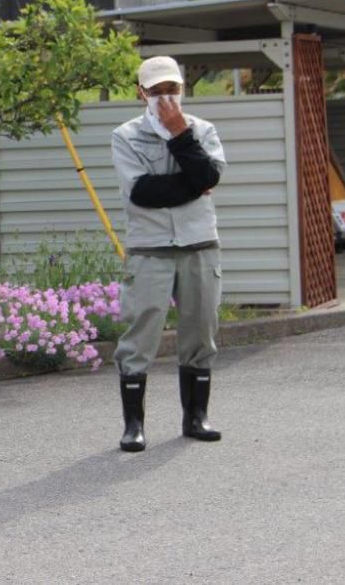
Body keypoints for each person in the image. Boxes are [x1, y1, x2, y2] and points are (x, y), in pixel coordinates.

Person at [110, 56, 226, 452]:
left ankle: (196, 417)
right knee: (141, 331)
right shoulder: (125, 136)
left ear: (183, 89)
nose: (165, 98)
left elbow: (209, 177)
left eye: (171, 89)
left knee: (201, 328)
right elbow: (142, 192)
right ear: (140, 93)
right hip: (150, 247)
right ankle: (134, 424)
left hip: (199, 244)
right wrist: (193, 183)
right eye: (156, 91)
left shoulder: (203, 131)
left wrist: (180, 136)